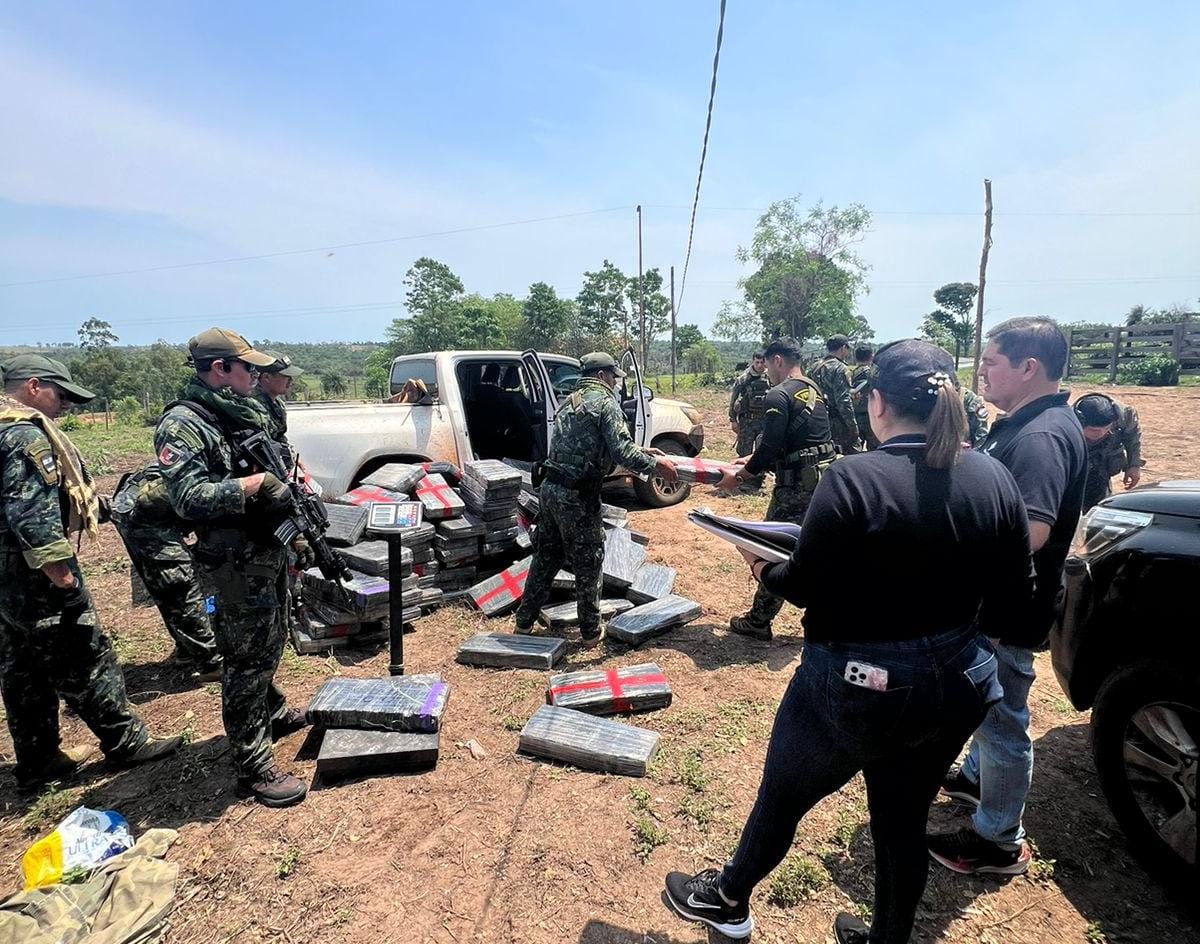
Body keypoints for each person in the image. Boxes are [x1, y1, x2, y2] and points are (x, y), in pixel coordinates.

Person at [664, 339, 1032, 944]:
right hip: (958, 681)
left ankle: (728, 900)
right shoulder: (993, 476)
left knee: (783, 795)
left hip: (857, 683)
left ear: (877, 402)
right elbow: (1019, 595)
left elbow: (805, 585)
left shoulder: (856, 478)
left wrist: (763, 569)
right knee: (901, 821)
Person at [929, 316, 1086, 876]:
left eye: (991, 363)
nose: (981, 374)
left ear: (1028, 367)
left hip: (1008, 606)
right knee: (989, 706)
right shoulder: (1023, 422)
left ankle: (997, 839)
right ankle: (977, 780)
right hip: (999, 600)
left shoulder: (1042, 436)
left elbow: (1034, 530)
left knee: (1003, 718)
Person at [0, 354, 181, 792]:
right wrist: (61, 575)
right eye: (61, 395)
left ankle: (39, 759)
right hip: (33, 571)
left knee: (22, 665)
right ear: (34, 386)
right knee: (84, 651)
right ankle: (125, 742)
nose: (65, 406)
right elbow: (31, 514)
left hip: (5, 573)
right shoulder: (26, 437)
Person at [154, 328, 310, 807]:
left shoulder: (240, 412)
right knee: (245, 659)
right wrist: (254, 484)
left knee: (269, 640)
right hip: (229, 562)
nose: (258, 376)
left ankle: (274, 710)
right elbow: (187, 497)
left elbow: (270, 462)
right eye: (249, 368)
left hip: (260, 551)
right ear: (219, 369)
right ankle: (253, 766)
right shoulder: (184, 424)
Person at [513, 352, 677, 643]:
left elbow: (595, 447)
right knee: (589, 561)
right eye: (614, 377)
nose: (616, 383)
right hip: (578, 495)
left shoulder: (569, 403)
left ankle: (524, 622)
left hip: (551, 490)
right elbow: (621, 453)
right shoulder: (605, 403)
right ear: (602, 376)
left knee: (546, 557)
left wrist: (644, 452)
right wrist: (655, 466)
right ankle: (590, 632)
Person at [717, 337, 836, 640]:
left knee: (772, 550)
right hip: (824, 483)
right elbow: (802, 442)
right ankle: (824, 612)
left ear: (778, 360)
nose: (766, 370)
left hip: (795, 489)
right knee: (820, 550)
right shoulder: (813, 390)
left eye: (768, 364)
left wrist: (739, 476)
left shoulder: (777, 394)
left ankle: (758, 621)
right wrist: (751, 457)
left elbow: (769, 449)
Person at [110, 462, 222, 681]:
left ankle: (188, 648)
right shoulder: (218, 475)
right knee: (180, 587)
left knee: (171, 585)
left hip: (142, 506)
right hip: (144, 518)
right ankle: (211, 663)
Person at [1073, 393, 1144, 511]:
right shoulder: (1066, 422)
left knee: (1099, 508)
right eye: (1094, 430)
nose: (1100, 434)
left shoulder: (1124, 415)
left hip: (1104, 466)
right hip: (1076, 470)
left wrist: (1134, 465)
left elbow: (1133, 438)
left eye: (1106, 429)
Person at [251, 352, 305, 470]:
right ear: (267, 377)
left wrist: (292, 457)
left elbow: (280, 436)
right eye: (285, 376)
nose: (290, 380)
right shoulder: (253, 405)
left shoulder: (277, 403)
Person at [810, 335, 861, 454]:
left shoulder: (814, 367)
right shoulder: (840, 368)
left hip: (818, 421)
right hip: (838, 423)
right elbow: (843, 401)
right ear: (843, 348)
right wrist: (853, 427)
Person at [729, 352, 771, 457]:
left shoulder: (770, 377)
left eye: (762, 362)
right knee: (744, 453)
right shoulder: (743, 379)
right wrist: (733, 420)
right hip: (747, 421)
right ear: (753, 361)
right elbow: (733, 399)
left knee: (762, 453)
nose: (760, 365)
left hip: (764, 420)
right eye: (757, 362)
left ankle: (760, 473)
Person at [850, 345, 878, 450]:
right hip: (869, 416)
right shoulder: (871, 372)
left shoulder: (851, 373)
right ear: (871, 356)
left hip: (855, 415)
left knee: (856, 449)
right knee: (874, 450)